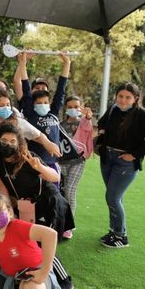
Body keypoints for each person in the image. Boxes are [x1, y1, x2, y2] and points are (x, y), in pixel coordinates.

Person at [0, 122, 74, 239]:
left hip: (48, 203)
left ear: (19, 143)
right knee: (27, 239)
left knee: (44, 240)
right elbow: (2, 187)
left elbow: (55, 177)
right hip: (26, 206)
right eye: (4, 141)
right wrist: (8, 210)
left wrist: (40, 168)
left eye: (13, 141)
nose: (8, 145)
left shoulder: (28, 157)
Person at [97, 83, 145, 248]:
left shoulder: (143, 115)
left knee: (113, 197)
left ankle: (121, 236)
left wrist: (134, 155)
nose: (123, 100)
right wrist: (102, 136)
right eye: (120, 96)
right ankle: (114, 231)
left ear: (135, 98)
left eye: (128, 97)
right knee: (114, 197)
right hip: (107, 158)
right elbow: (102, 123)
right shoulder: (113, 109)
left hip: (125, 162)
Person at [15, 51, 71, 179]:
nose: (42, 105)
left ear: (50, 103)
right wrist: (23, 64)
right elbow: (25, 88)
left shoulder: (53, 112)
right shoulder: (30, 113)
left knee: (53, 189)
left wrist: (67, 63)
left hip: (52, 163)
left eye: (45, 102)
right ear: (33, 104)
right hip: (33, 162)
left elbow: (61, 90)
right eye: (39, 103)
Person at [0, 89, 60, 158]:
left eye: (8, 105)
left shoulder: (16, 122)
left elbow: (36, 135)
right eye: (2, 105)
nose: (6, 108)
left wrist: (47, 143)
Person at [58, 96, 94, 239]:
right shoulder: (60, 125)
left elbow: (88, 126)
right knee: (61, 192)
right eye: (70, 107)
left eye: (76, 107)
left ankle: (69, 226)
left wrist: (88, 117)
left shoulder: (83, 123)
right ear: (66, 108)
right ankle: (60, 222)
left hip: (78, 162)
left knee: (70, 191)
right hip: (62, 162)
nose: (73, 109)